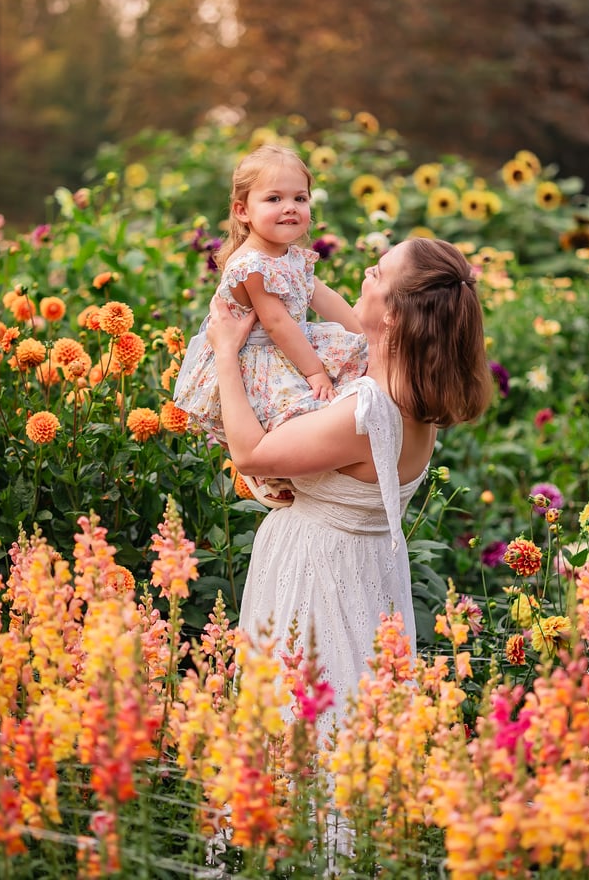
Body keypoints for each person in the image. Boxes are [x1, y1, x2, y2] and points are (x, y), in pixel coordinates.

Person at [205, 236, 494, 734]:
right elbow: (331, 308)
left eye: (377, 274)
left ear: (396, 317)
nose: (364, 275)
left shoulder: (366, 412)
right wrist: (276, 266)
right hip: (359, 574)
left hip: (317, 580)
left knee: (303, 725)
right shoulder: (409, 393)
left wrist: (226, 352)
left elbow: (249, 453)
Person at [174, 144, 368, 506]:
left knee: (354, 360)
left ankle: (299, 464)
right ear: (242, 211)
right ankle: (268, 469)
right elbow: (277, 323)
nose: (290, 207)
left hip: (287, 345)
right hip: (259, 355)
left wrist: (363, 333)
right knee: (298, 405)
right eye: (274, 198)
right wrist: (314, 372)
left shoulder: (291, 256)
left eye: (300, 197)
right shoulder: (251, 264)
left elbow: (323, 297)